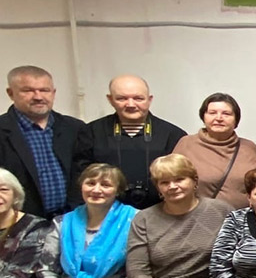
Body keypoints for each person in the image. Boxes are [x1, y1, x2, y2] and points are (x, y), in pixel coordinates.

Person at [0, 65, 83, 220]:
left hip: (72, 222)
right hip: (16, 227)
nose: (38, 96)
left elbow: (86, 175)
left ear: (53, 93)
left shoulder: (75, 129)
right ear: (10, 93)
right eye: (28, 91)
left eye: (44, 90)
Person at [34, 164, 138, 278]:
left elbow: (140, 269)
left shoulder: (135, 220)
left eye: (105, 185)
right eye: (90, 183)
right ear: (81, 186)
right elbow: (45, 270)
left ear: (118, 190)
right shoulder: (61, 223)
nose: (96, 190)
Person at [71, 75, 186, 209]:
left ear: (149, 100)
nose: (130, 104)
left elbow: (183, 179)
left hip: (162, 211)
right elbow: (79, 178)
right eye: (122, 98)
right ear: (110, 100)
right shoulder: (91, 132)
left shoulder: (173, 135)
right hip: (106, 213)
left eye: (138, 98)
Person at [173, 93, 256, 209]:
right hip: (200, 217)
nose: (219, 118)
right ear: (203, 117)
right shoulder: (186, 144)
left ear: (236, 120)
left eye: (226, 114)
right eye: (212, 113)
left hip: (242, 218)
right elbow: (171, 182)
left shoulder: (249, 147)